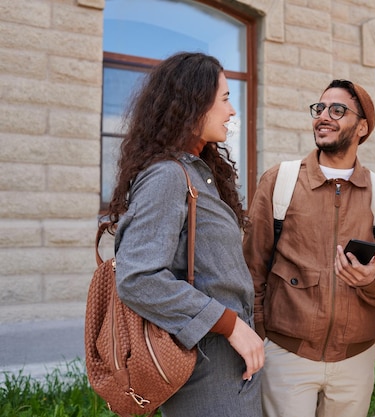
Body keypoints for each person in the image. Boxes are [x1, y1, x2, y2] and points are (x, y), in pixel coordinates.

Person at [105, 52, 264, 417]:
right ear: (194, 103)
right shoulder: (167, 177)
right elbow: (137, 277)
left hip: (226, 359)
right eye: (225, 99)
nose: (232, 111)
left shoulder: (197, 172)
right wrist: (230, 325)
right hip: (207, 362)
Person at [243, 79, 375, 417]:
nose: (323, 117)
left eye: (337, 110)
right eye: (319, 109)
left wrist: (372, 278)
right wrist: (261, 336)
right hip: (287, 357)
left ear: (362, 127)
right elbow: (251, 266)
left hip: (355, 360)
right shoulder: (280, 181)